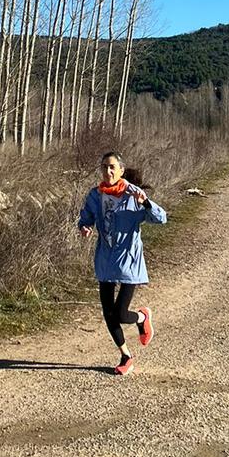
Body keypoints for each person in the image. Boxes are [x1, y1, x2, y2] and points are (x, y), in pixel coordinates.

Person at [78, 151, 167, 376]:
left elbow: (160, 218)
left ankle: (142, 317)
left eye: (112, 167)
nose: (107, 172)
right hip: (105, 260)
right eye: (104, 167)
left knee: (119, 313)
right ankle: (126, 356)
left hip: (129, 261)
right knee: (108, 313)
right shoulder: (95, 195)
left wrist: (145, 203)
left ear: (121, 171)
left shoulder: (133, 195)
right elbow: (86, 217)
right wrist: (84, 226)